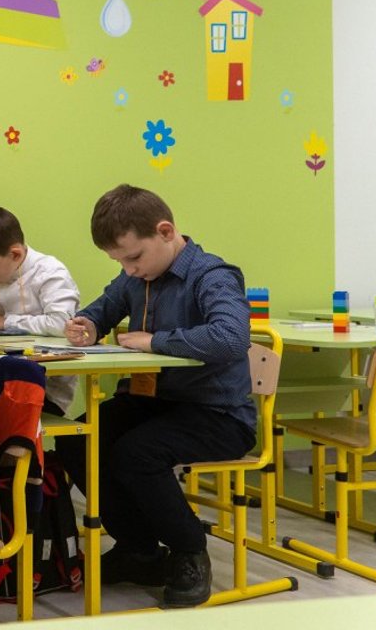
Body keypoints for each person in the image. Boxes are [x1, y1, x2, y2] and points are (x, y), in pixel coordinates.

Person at [57, 184, 254, 608]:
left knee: (137, 453)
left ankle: (189, 550)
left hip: (217, 413)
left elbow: (231, 337)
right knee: (76, 441)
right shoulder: (137, 275)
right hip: (153, 405)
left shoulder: (213, 275)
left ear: (165, 232)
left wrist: (155, 341)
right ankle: (140, 549)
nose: (128, 270)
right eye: (119, 262)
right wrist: (87, 324)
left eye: (133, 258)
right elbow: (103, 307)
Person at [0, 205, 81, 415]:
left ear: (15, 255)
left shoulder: (50, 272)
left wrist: (6, 322)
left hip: (45, 391)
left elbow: (61, 324)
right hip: (2, 380)